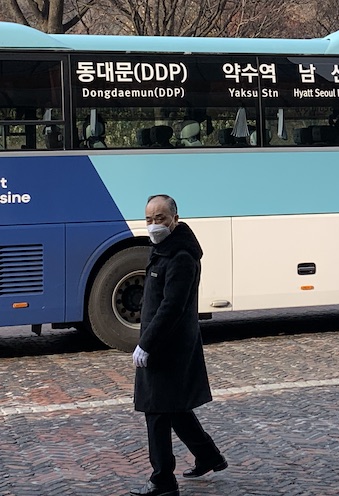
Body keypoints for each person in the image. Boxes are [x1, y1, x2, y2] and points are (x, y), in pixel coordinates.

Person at [130, 194, 226, 496]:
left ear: (175, 218)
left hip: (167, 347)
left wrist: (146, 344)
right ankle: (208, 456)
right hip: (165, 344)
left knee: (156, 411)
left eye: (160, 218)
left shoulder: (181, 256)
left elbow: (172, 306)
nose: (154, 225)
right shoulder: (164, 250)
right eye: (149, 219)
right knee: (174, 408)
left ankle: (162, 480)